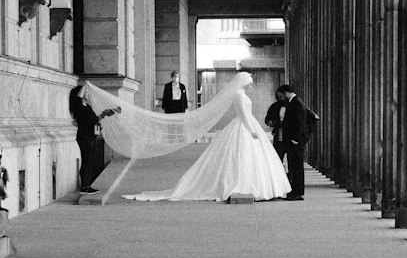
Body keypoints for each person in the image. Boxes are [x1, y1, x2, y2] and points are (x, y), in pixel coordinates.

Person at [123, 72, 290, 202]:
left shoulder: (241, 93)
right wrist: (251, 129)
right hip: (244, 125)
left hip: (247, 125)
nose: (250, 82)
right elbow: (243, 114)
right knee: (240, 156)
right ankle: (245, 184)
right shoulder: (238, 95)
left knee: (247, 157)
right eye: (249, 79)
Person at [70, 85, 117, 193]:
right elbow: (78, 97)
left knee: (90, 160)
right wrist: (85, 85)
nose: (87, 94)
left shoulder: (87, 107)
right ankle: (84, 186)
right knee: (87, 160)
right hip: (84, 136)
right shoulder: (78, 106)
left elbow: (93, 119)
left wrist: (104, 114)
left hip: (91, 135)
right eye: (85, 93)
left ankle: (87, 185)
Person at [275, 83, 308, 201]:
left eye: (281, 96)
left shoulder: (296, 103)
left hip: (296, 140)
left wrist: (295, 138)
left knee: (296, 166)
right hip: (293, 140)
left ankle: (297, 192)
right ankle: (294, 191)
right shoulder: (294, 102)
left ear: (286, 93)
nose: (280, 99)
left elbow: (299, 123)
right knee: (293, 166)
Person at [264, 88, 287, 162]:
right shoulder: (275, 106)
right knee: (278, 157)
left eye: (281, 96)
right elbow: (268, 118)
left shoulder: (293, 105)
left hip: (289, 135)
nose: (280, 98)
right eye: (278, 96)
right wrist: (269, 121)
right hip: (278, 135)